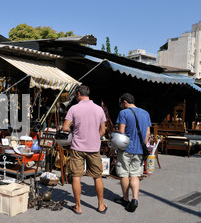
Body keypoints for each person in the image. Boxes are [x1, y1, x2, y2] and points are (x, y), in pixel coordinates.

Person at [62, 85, 107, 215]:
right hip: (93, 148)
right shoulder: (99, 109)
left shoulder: (74, 108)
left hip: (77, 147)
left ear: (78, 94)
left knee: (76, 177)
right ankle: (100, 206)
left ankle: (78, 206)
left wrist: (74, 131)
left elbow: (65, 128)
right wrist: (94, 138)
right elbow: (103, 130)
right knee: (97, 177)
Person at [114, 93, 151, 212]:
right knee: (135, 175)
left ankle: (125, 199)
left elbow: (121, 132)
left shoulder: (123, 113)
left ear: (125, 102)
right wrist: (143, 145)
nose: (120, 106)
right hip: (140, 149)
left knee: (124, 174)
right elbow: (147, 134)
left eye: (120, 103)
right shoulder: (146, 113)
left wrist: (113, 147)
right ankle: (135, 199)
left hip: (126, 149)